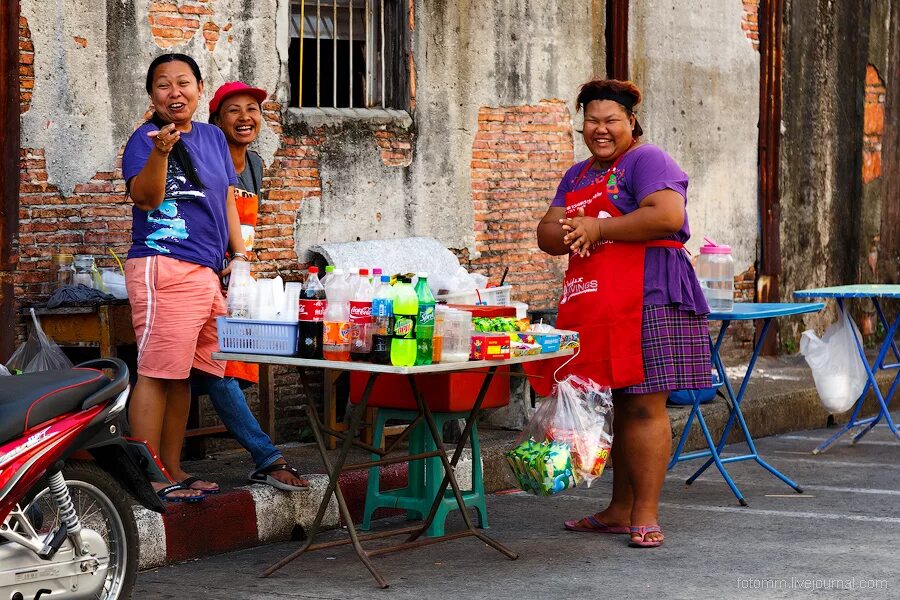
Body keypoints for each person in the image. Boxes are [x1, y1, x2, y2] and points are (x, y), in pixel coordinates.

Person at [534, 79, 712, 548]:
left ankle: (646, 514)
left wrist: (598, 226)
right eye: (592, 120)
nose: (601, 129)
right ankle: (617, 509)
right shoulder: (576, 176)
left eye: (611, 120)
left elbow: (668, 215)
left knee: (643, 403)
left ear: (631, 122)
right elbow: (548, 233)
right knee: (612, 406)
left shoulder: (646, 160)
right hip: (599, 301)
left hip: (650, 294)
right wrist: (574, 227)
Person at [123, 53, 249, 502]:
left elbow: (226, 199)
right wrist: (161, 151)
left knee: (184, 375)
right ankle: (148, 477)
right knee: (156, 374)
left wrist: (241, 253)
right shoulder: (144, 139)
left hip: (206, 271)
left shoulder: (215, 137)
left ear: (198, 88)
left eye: (183, 83)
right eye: (162, 85)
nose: (174, 92)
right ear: (152, 95)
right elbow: (146, 198)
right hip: (165, 266)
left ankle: (172, 468)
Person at [195, 81, 307, 491]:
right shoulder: (206, 159)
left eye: (252, 109)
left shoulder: (256, 165)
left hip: (237, 275)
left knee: (233, 364)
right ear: (215, 120)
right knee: (220, 368)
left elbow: (244, 226)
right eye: (233, 110)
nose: (245, 117)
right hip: (207, 273)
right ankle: (266, 456)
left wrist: (242, 266)